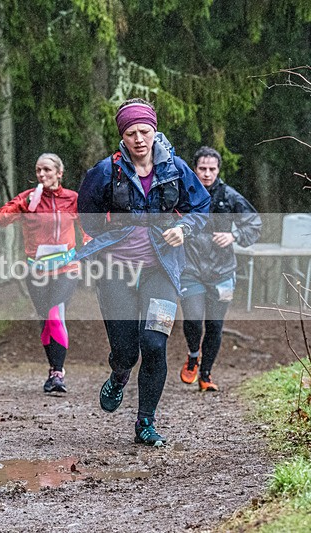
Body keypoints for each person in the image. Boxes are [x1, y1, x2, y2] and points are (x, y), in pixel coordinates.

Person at [77, 98, 210, 446]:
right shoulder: (107, 171)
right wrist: (115, 234)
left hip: (161, 269)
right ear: (123, 135)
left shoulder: (176, 168)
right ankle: (119, 374)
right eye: (131, 132)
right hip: (116, 271)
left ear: (154, 132)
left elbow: (202, 207)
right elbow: (85, 213)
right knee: (126, 351)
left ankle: (145, 423)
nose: (139, 138)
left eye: (144, 131)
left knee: (154, 344)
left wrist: (184, 229)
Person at [0, 153, 88, 393]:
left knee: (56, 314)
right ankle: (53, 370)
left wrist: (88, 244)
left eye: (47, 170)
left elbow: (88, 226)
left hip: (67, 267)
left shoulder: (72, 199)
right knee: (46, 320)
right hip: (36, 270)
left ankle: (58, 373)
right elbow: (0, 220)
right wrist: (24, 205)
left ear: (59, 173)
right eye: (38, 170)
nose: (42, 175)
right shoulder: (28, 198)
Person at [179, 146, 262, 391]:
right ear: (195, 169)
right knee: (193, 319)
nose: (206, 174)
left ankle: (206, 375)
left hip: (222, 272)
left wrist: (233, 235)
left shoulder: (230, 196)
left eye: (211, 169)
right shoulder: (185, 195)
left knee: (215, 325)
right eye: (202, 169)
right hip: (190, 269)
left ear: (218, 170)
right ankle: (193, 356)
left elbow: (254, 225)